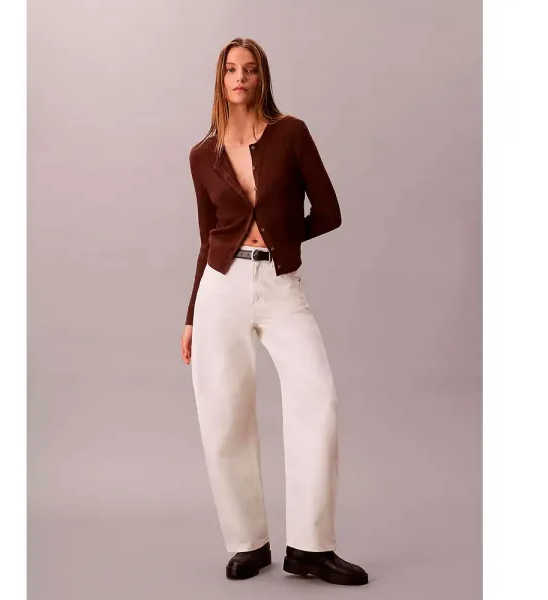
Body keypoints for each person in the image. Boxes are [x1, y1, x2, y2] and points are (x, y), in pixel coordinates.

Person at [180, 38, 369, 586]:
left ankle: (310, 547)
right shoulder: (202, 155)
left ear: (262, 77)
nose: (239, 77)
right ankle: (248, 543)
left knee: (318, 399)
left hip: (280, 284)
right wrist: (191, 314)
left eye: (250, 69)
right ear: (220, 80)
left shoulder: (291, 134)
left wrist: (283, 238)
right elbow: (206, 239)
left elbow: (328, 211)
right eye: (230, 69)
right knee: (224, 413)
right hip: (220, 288)